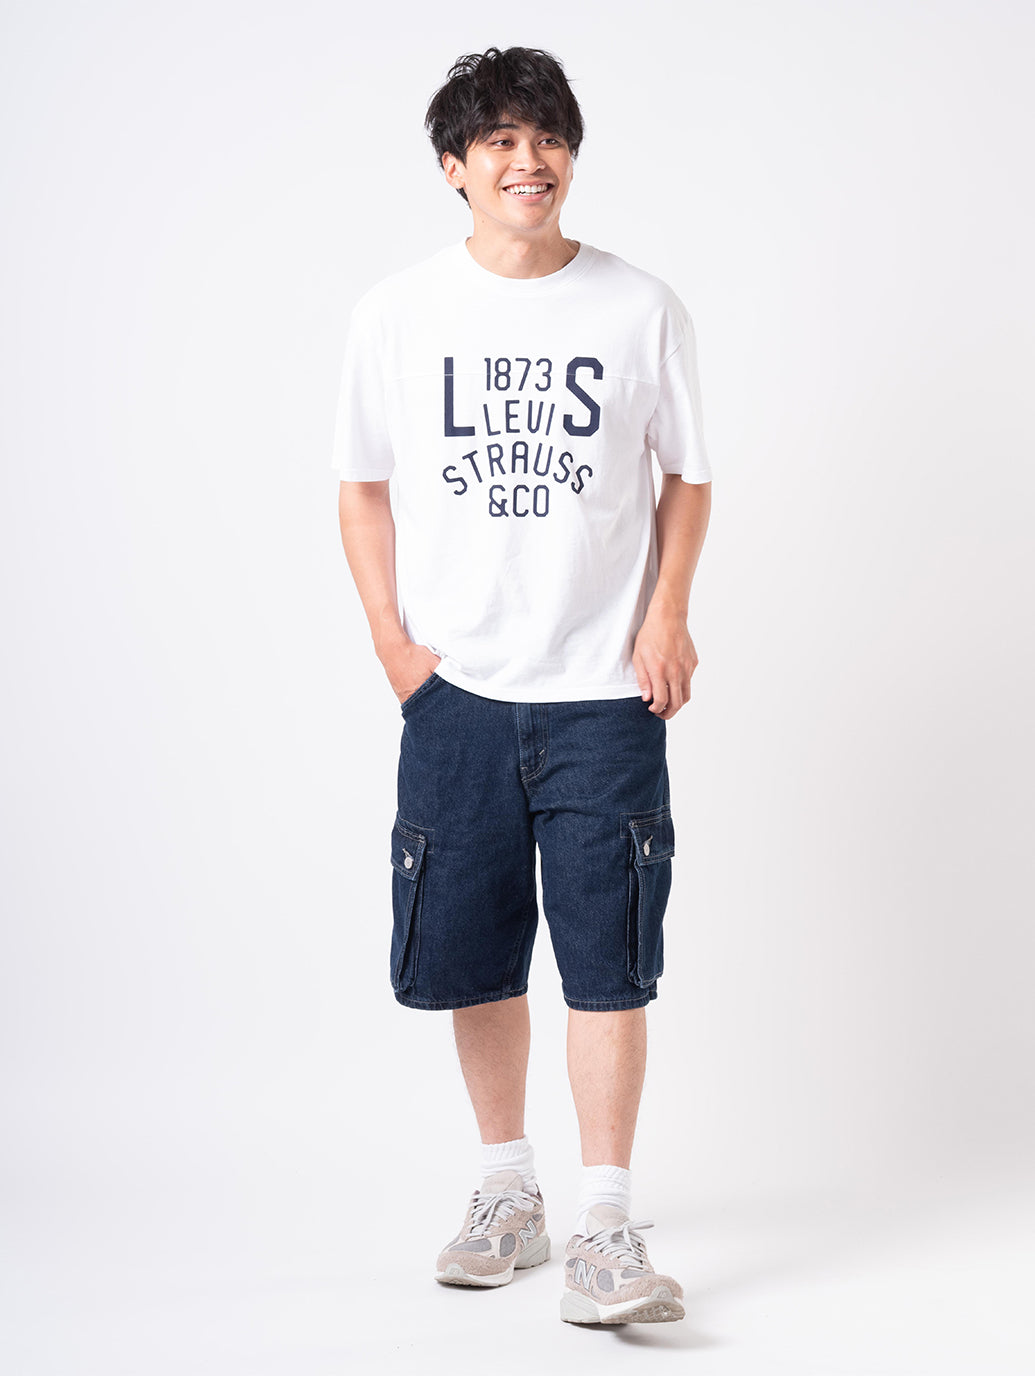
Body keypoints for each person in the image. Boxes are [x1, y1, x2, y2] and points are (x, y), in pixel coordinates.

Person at [332, 46, 712, 1326]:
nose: (528, 160)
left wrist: (667, 611)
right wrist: (397, 651)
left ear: (571, 156)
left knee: (609, 958)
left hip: (606, 692)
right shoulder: (397, 313)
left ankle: (605, 1223)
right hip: (459, 695)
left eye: (547, 136)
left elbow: (689, 474)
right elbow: (361, 487)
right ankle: (509, 1189)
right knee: (478, 951)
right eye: (498, 140)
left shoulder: (639, 307)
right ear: (455, 167)